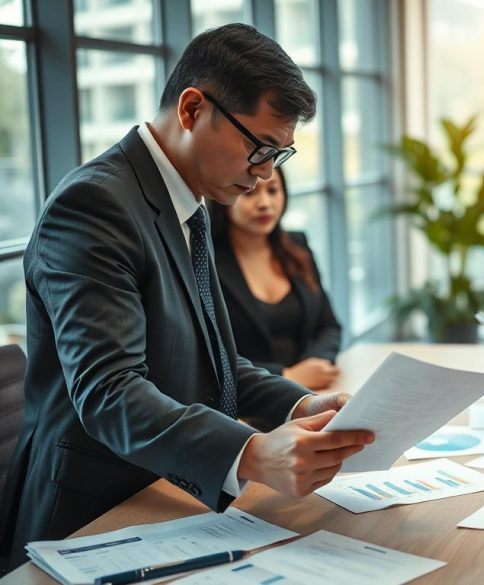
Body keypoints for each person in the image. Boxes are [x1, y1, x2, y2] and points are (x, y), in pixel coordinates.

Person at [0, 24, 373, 572]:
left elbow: (217, 360)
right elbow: (109, 392)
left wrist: (300, 405)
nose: (266, 173)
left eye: (280, 155)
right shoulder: (94, 206)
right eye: (259, 149)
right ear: (193, 108)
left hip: (167, 498)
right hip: (90, 520)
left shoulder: (188, 204)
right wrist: (250, 452)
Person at [209, 168, 342, 390]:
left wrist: (313, 365)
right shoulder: (207, 262)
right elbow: (212, 354)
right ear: (224, 197)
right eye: (249, 193)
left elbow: (328, 326)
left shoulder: (297, 246)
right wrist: (286, 376)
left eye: (273, 190)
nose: (265, 203)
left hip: (313, 390)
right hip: (249, 398)